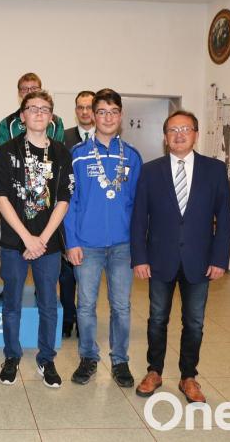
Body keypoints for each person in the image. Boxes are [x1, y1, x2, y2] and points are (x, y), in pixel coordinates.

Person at [131, 110, 230, 403]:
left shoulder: (214, 170)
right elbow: (139, 218)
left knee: (194, 322)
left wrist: (220, 259)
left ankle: (189, 377)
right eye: (173, 130)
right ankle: (154, 371)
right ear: (165, 138)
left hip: (200, 261)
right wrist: (139, 257)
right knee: (156, 319)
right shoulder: (150, 171)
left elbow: (224, 218)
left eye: (185, 129)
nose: (179, 134)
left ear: (195, 134)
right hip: (159, 259)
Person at [0, 91, 72, 388]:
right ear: (22, 115)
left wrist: (42, 240)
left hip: (49, 244)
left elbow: (63, 199)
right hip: (15, 242)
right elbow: (1, 198)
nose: (39, 113)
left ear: (51, 117)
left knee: (48, 303)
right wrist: (27, 238)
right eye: (32, 108)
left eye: (45, 109)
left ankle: (46, 359)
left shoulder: (62, 153)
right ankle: (12, 356)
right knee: (11, 302)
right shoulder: (6, 151)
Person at [64, 88, 142, 388]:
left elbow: (137, 205)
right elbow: (70, 203)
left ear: (120, 116)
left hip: (122, 245)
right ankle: (88, 357)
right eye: (101, 112)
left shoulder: (132, 156)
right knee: (85, 305)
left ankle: (120, 361)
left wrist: (139, 245)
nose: (107, 117)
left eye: (113, 112)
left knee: (121, 306)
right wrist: (71, 241)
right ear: (91, 116)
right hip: (87, 244)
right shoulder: (78, 155)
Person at [59, 90, 96, 338]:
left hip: (92, 219)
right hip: (67, 214)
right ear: (76, 110)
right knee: (66, 275)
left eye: (89, 107)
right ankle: (68, 318)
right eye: (80, 107)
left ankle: (85, 322)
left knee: (89, 277)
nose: (84, 111)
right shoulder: (65, 138)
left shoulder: (105, 139)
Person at [0, 72, 64, 146]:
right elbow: (4, 154)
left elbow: (59, 152)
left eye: (34, 88)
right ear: (19, 93)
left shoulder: (56, 122)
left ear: (40, 90)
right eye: (24, 89)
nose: (29, 92)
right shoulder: (6, 124)